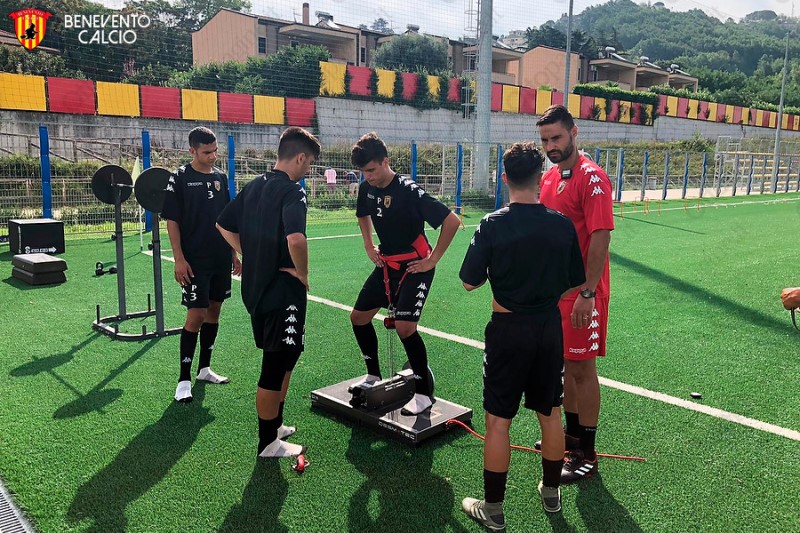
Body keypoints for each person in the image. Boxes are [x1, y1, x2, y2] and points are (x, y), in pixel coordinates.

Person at [459, 142, 585, 528]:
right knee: (551, 414)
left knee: (499, 422)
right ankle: (551, 492)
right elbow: (574, 281)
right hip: (548, 329)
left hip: (508, 331)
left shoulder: (492, 224)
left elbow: (469, 282)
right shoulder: (561, 224)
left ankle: (494, 510)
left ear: (504, 178)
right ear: (541, 178)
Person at [216, 126, 321, 458]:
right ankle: (267, 443)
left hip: (257, 289)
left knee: (287, 357)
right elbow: (296, 239)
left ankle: (275, 426)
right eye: (310, 163)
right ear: (300, 158)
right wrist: (302, 273)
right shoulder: (292, 192)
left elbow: (223, 224)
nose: (308, 170)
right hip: (282, 291)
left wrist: (250, 252)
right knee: (274, 366)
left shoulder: (253, 185)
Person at [349, 132, 461, 415]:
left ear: (386, 161)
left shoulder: (409, 191)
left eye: (371, 170)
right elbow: (362, 214)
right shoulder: (366, 188)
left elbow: (451, 221)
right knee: (358, 318)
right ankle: (373, 375)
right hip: (386, 265)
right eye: (363, 172)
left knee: (405, 327)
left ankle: (423, 394)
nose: (368, 177)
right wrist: (368, 244)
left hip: (415, 267)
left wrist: (432, 260)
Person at [537, 105, 615, 483]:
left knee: (583, 370)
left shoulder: (592, 178)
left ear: (574, 132)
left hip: (584, 293)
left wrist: (587, 292)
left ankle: (587, 450)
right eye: (545, 140)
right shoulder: (549, 178)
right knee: (566, 367)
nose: (551, 145)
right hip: (556, 292)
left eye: (557, 137)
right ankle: (571, 437)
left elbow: (600, 238)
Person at [162, 126, 241, 403]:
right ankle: (183, 380)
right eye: (207, 152)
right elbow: (172, 220)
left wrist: (233, 253)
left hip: (220, 258)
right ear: (192, 151)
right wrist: (179, 258)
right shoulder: (180, 178)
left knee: (214, 310)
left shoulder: (220, 178)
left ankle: (204, 369)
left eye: (215, 151)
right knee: (195, 315)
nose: (213, 156)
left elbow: (226, 219)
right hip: (194, 261)